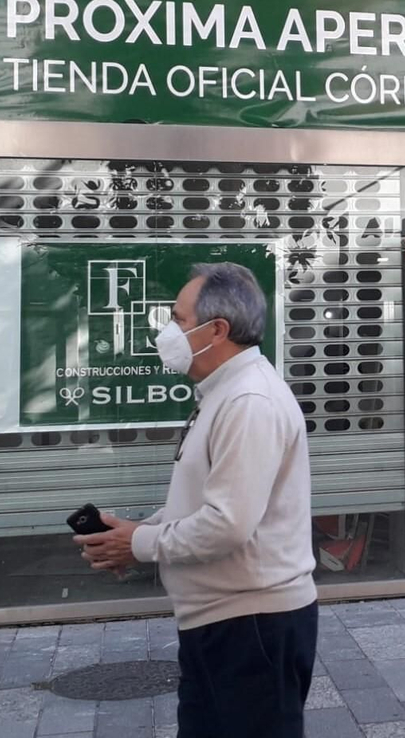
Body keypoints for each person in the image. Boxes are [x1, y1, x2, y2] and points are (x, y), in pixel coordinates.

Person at [75, 262, 317, 738]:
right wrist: (136, 532)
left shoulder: (250, 402)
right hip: (221, 620)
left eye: (178, 320)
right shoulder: (223, 393)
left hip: (252, 626)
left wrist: (141, 545)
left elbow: (228, 524)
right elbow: (208, 500)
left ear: (217, 330)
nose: (169, 331)